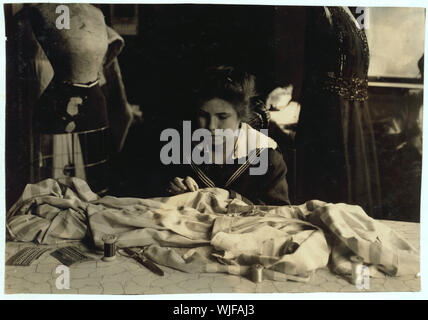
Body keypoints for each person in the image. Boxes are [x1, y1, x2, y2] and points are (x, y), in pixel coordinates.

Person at [296, 7, 382, 217]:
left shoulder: (358, 11)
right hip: (332, 114)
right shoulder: (321, 10)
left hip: (355, 113)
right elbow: (312, 73)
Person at [165, 66, 290, 205]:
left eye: (222, 116)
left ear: (240, 117)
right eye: (203, 115)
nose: (211, 126)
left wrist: (229, 197)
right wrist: (175, 189)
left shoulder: (267, 155)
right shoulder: (181, 148)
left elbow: (280, 213)